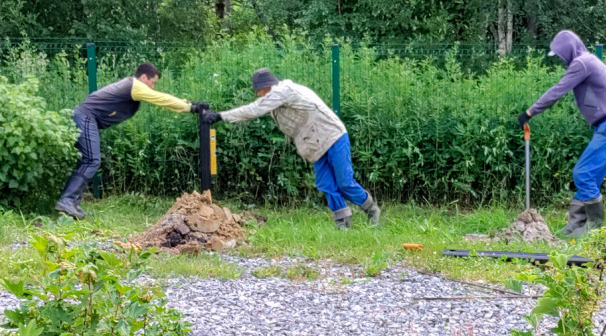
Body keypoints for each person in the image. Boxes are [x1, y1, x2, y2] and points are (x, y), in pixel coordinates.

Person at [201, 68, 380, 230]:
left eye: (259, 90)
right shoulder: (276, 99)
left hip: (333, 136)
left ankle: (372, 211)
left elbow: (253, 110)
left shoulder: (283, 91)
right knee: (326, 185)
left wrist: (220, 116)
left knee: (344, 183)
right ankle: (343, 226)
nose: (257, 94)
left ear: (267, 86)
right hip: (315, 144)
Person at [55, 63, 206, 219]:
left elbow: (161, 97)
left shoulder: (131, 85)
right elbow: (160, 98)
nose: (153, 87)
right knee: (92, 160)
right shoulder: (135, 85)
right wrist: (189, 108)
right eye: (152, 82)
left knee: (89, 160)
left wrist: (188, 104)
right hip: (86, 117)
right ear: (143, 77)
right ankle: (67, 201)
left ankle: (72, 204)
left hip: (84, 117)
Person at [517, 30, 606, 238]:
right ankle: (575, 226)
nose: (560, 60)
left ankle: (593, 227)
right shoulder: (587, 60)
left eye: (560, 55)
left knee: (583, 173)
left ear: (568, 50)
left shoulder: (581, 63)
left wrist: (530, 112)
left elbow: (559, 90)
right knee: (590, 177)